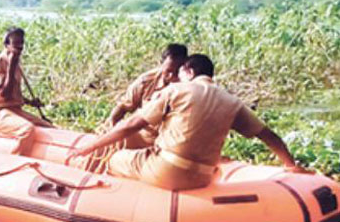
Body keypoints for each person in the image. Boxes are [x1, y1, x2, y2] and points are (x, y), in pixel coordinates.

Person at [68, 54, 309, 191]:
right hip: (203, 177)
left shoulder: (177, 91)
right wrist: (290, 165)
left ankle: (124, 207)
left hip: (168, 170)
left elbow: (131, 125)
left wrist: (91, 147)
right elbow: (269, 136)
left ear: (189, 72)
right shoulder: (232, 101)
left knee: (116, 160)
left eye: (180, 73)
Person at [0, 27, 54, 156]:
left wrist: (29, 101)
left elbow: (12, 94)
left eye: (22, 44)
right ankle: (15, 160)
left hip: (14, 110)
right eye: (16, 44)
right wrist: (11, 66)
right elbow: (4, 94)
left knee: (48, 127)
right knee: (27, 129)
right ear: (7, 45)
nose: (20, 47)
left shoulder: (15, 63)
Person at [107, 43, 189, 149]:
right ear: (161, 64)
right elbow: (123, 106)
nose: (172, 76)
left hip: (170, 142)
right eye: (168, 71)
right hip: (142, 136)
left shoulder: (190, 87)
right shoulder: (146, 81)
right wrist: (112, 126)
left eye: (177, 72)